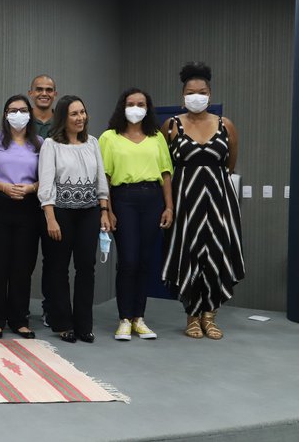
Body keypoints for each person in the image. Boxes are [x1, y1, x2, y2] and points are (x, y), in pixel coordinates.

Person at [161, 62, 244, 340]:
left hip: (220, 201)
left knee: (217, 253)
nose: (196, 96)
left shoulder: (225, 125)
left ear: (210, 94)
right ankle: (192, 316)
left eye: (202, 92)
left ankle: (210, 316)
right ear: (182, 95)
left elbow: (230, 164)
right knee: (190, 253)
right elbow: (165, 167)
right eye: (190, 92)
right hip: (185, 201)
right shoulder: (171, 125)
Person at [99, 88, 173, 341]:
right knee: (128, 260)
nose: (136, 108)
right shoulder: (109, 137)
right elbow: (104, 177)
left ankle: (139, 318)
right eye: (131, 103)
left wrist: (169, 207)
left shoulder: (156, 137)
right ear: (122, 107)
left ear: (148, 108)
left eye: (141, 104)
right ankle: (124, 318)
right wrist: (107, 210)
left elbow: (166, 173)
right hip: (123, 199)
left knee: (144, 261)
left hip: (152, 198)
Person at [38, 95, 110, 343]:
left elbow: (101, 179)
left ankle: (83, 325)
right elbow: (46, 183)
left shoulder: (92, 142)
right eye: (74, 114)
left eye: (82, 112)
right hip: (60, 213)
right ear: (63, 118)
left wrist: (104, 210)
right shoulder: (51, 145)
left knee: (86, 267)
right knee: (58, 268)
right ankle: (62, 323)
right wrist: (50, 218)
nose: (80, 118)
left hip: (89, 212)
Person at [0, 95, 42, 339]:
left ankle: (19, 319)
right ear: (5, 114)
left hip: (28, 206)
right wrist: (4, 187)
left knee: (23, 266)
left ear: (30, 114)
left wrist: (31, 188)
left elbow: (47, 177)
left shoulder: (39, 143)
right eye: (12, 110)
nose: (18, 114)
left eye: (23, 110)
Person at [28, 74, 58, 328]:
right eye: (39, 89)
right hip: (25, 200)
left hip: (55, 204)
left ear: (55, 94)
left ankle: (51, 309)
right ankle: (19, 309)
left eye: (49, 89)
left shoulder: (63, 122)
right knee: (24, 259)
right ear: (31, 93)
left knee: (53, 260)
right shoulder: (21, 121)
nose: (44, 93)